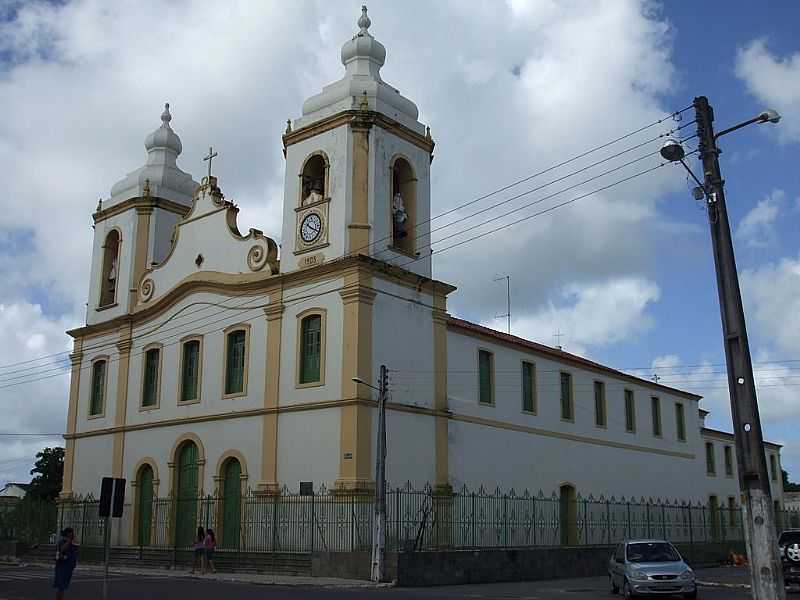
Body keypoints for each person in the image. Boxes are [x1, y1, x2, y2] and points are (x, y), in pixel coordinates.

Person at [53, 527, 78, 600]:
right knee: (61, 587)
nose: (73, 534)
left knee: (63, 587)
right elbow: (62, 549)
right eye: (71, 532)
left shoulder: (71, 542)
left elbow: (75, 550)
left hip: (68, 567)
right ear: (68, 533)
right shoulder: (63, 541)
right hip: (62, 567)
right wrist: (69, 540)